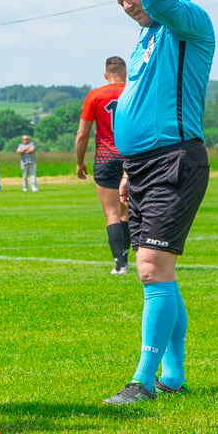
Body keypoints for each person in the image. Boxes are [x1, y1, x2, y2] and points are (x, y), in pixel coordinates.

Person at [103, 0, 214, 405]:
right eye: (119, 0)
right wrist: (129, 168)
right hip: (145, 167)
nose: (129, 4)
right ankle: (173, 375)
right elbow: (141, 101)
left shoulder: (187, 21)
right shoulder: (146, 38)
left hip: (176, 160)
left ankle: (142, 382)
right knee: (161, 272)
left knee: (151, 269)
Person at [76, 56, 131, 274]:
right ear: (125, 72)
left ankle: (120, 264)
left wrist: (80, 162)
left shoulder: (95, 95)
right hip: (132, 158)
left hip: (106, 159)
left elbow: (82, 134)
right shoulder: (133, 91)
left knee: (111, 213)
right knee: (128, 212)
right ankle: (129, 258)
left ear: (105, 74)